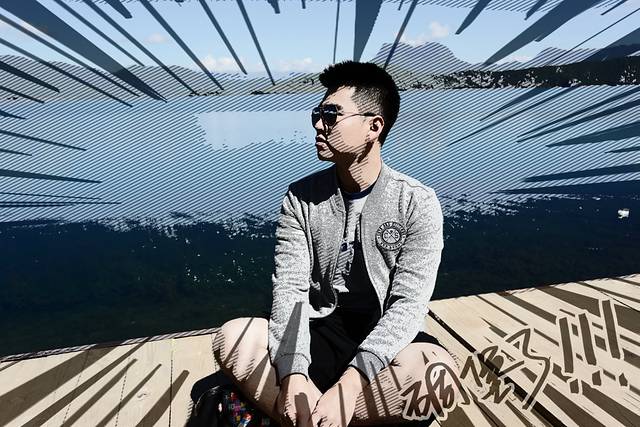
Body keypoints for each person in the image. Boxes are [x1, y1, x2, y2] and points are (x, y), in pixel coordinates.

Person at [212, 61, 460, 427]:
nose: (317, 125)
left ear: (374, 126)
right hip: (318, 331)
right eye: (317, 115)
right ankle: (324, 412)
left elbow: (409, 304)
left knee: (437, 377)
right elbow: (291, 289)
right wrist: (293, 375)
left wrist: (350, 384)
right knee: (232, 337)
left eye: (331, 115)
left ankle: (297, 415)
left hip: (383, 337)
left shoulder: (416, 202)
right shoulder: (301, 197)